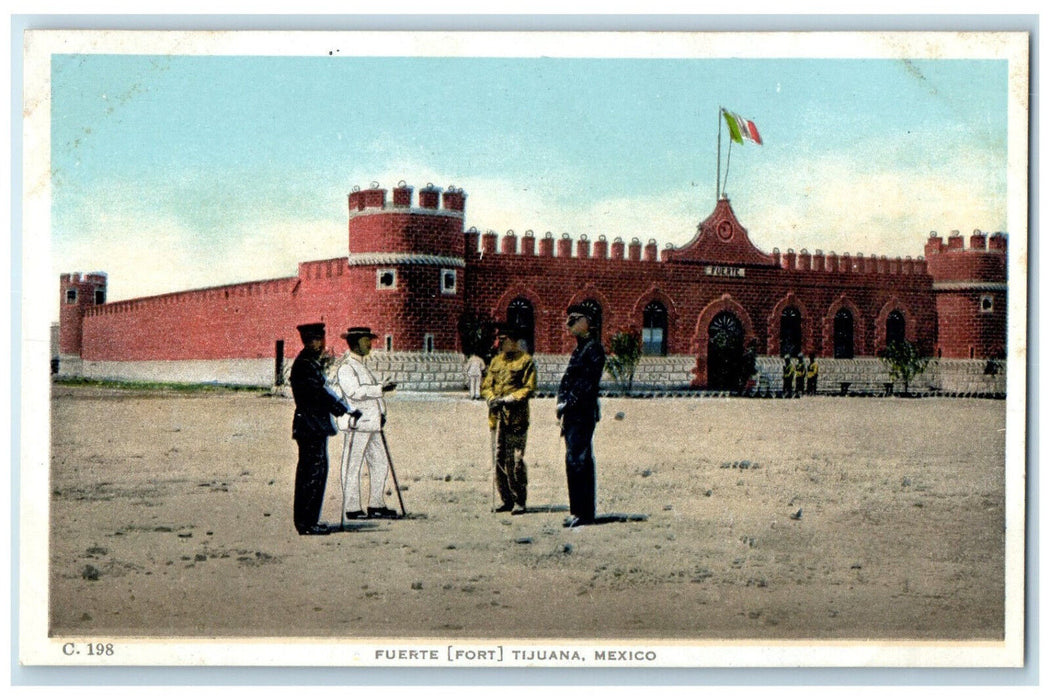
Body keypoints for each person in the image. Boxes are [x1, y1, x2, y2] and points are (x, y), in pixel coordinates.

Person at [289, 322, 351, 536]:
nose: (322, 343)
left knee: (314, 472)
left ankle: (308, 521)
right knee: (313, 473)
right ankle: (307, 523)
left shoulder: (308, 362)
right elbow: (318, 394)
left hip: (311, 424)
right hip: (310, 424)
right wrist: (342, 409)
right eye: (318, 339)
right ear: (310, 341)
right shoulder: (306, 364)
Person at [335, 326, 400, 521]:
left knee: (380, 463)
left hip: (373, 424)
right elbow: (355, 392)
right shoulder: (347, 367)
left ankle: (376, 504)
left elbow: (371, 394)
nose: (370, 344)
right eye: (366, 340)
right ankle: (352, 507)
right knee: (352, 465)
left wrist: (382, 412)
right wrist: (381, 389)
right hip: (358, 423)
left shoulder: (362, 366)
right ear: (355, 343)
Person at [556, 303, 606, 528]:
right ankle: (579, 510)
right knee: (574, 458)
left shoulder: (593, 349)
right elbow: (567, 380)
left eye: (576, 318)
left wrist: (568, 402)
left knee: (579, 459)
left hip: (582, 412)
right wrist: (561, 401)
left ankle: (583, 513)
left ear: (589, 322)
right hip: (573, 413)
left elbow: (587, 383)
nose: (570, 323)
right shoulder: (580, 349)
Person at [481, 326, 537, 515]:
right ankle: (506, 499)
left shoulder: (525, 361)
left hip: (517, 418)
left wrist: (509, 399)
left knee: (516, 460)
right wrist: (490, 398)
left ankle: (519, 499)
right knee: (499, 459)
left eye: (503, 340)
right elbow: (486, 385)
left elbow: (529, 388)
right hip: (498, 418)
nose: (499, 344)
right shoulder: (496, 362)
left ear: (513, 340)